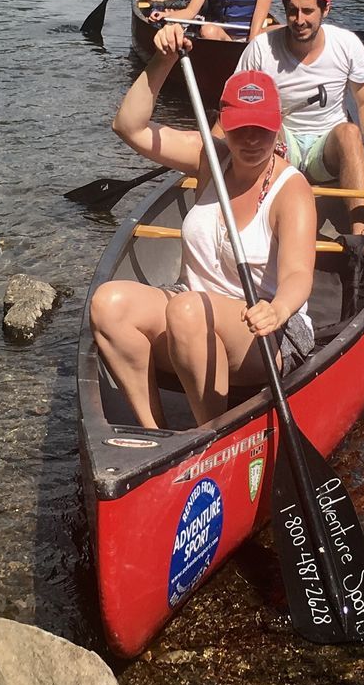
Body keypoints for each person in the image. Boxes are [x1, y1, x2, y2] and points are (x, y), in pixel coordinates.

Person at [87, 46, 317, 430]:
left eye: (262, 128)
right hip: (190, 312)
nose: (251, 140)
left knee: (187, 311)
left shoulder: (291, 190)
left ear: (277, 126)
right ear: (224, 122)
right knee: (108, 304)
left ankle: (210, 434)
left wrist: (277, 309)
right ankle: (154, 434)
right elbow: (129, 126)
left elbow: (298, 275)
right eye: (241, 128)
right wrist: (163, 60)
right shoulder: (210, 157)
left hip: (266, 329)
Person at [232, 0, 364, 261]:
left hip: (326, 148)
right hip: (282, 146)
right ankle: (259, 224)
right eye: (292, 11)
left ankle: (359, 237)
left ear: (325, 10)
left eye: (308, 11)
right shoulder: (261, 49)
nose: (300, 20)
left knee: (349, 132)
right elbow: (235, 105)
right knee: (267, 127)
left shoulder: (347, 45)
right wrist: (214, 149)